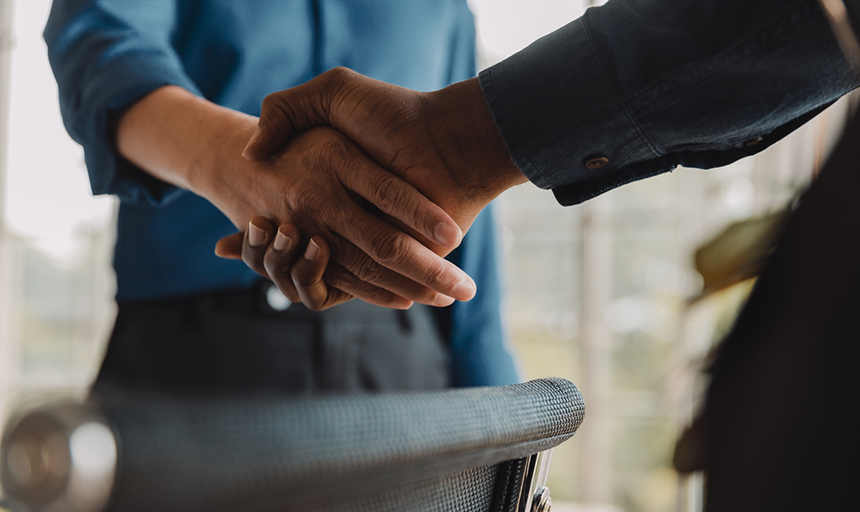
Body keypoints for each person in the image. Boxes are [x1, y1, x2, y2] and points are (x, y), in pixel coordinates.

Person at [229, 0, 860, 308]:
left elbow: (444, 222)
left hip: (405, 325)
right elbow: (130, 86)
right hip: (190, 342)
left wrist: (462, 144)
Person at [43, 0, 520, 393]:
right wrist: (241, 166)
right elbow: (102, 50)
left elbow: (465, 208)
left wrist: (504, 416)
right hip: (187, 355)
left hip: (404, 363)